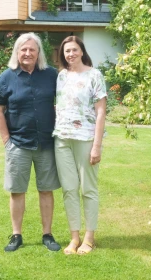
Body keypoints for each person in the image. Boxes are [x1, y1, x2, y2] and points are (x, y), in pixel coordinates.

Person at [0, 32, 61, 252]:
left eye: (32, 49)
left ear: (38, 52)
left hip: (46, 143)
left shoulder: (52, 75)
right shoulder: (7, 77)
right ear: (17, 52)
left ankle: (47, 234)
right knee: (17, 191)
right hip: (18, 144)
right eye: (23, 49)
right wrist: (6, 140)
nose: (27, 53)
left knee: (46, 190)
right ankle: (16, 235)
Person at [53, 36, 107, 255]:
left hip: (86, 138)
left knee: (88, 189)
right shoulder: (61, 76)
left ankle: (89, 238)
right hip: (62, 138)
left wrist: (97, 145)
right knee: (69, 190)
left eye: (74, 50)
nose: (70, 54)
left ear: (82, 51)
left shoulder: (94, 75)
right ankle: (74, 238)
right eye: (67, 51)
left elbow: (101, 111)